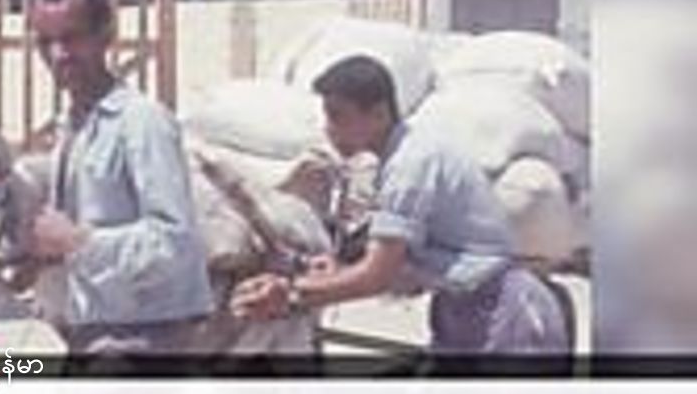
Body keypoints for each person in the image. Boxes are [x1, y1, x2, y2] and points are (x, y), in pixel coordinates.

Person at [230, 55, 569, 354]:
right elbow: (402, 264)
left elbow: (376, 276)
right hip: (464, 311)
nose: (329, 129)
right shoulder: (403, 157)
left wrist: (290, 295)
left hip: (504, 318)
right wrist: (333, 271)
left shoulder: (410, 167)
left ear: (378, 113)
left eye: (338, 116)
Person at [27, 0, 213, 355]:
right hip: (92, 334)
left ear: (105, 36)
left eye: (71, 38)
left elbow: (174, 243)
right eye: (46, 42)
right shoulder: (72, 127)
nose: (58, 54)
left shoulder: (141, 123)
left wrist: (78, 242)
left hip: (146, 338)